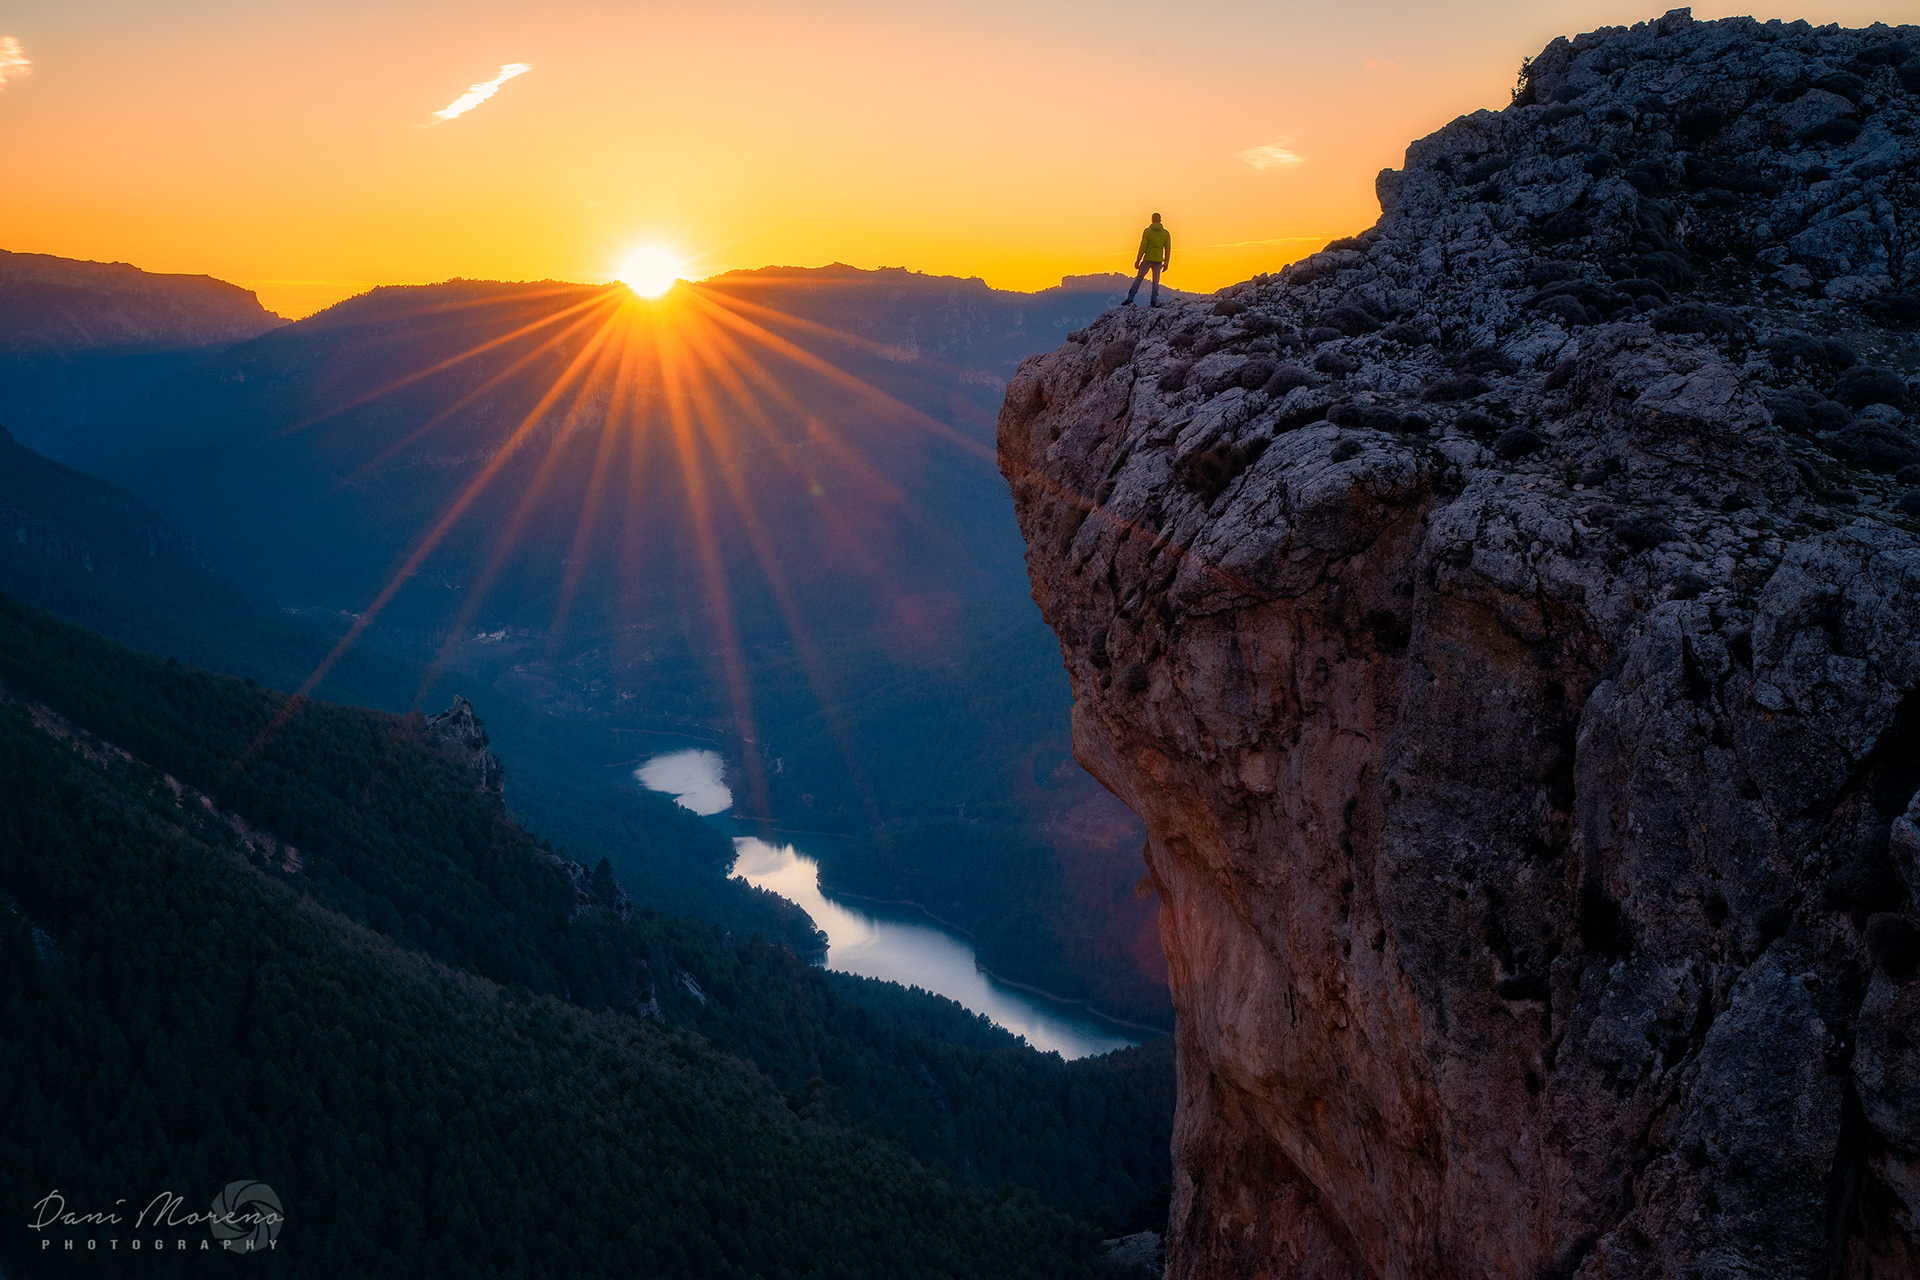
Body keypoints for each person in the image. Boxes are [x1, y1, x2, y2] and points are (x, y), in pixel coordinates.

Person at [1123, 213, 1172, 307]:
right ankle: (1154, 300)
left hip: (1148, 259)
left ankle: (1130, 298)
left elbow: (1143, 246)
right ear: (1160, 220)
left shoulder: (1147, 232)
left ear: (1152, 220)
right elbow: (1168, 249)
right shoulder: (1166, 233)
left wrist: (1138, 260)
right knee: (1156, 281)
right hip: (1158, 260)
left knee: (1139, 278)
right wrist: (1166, 262)